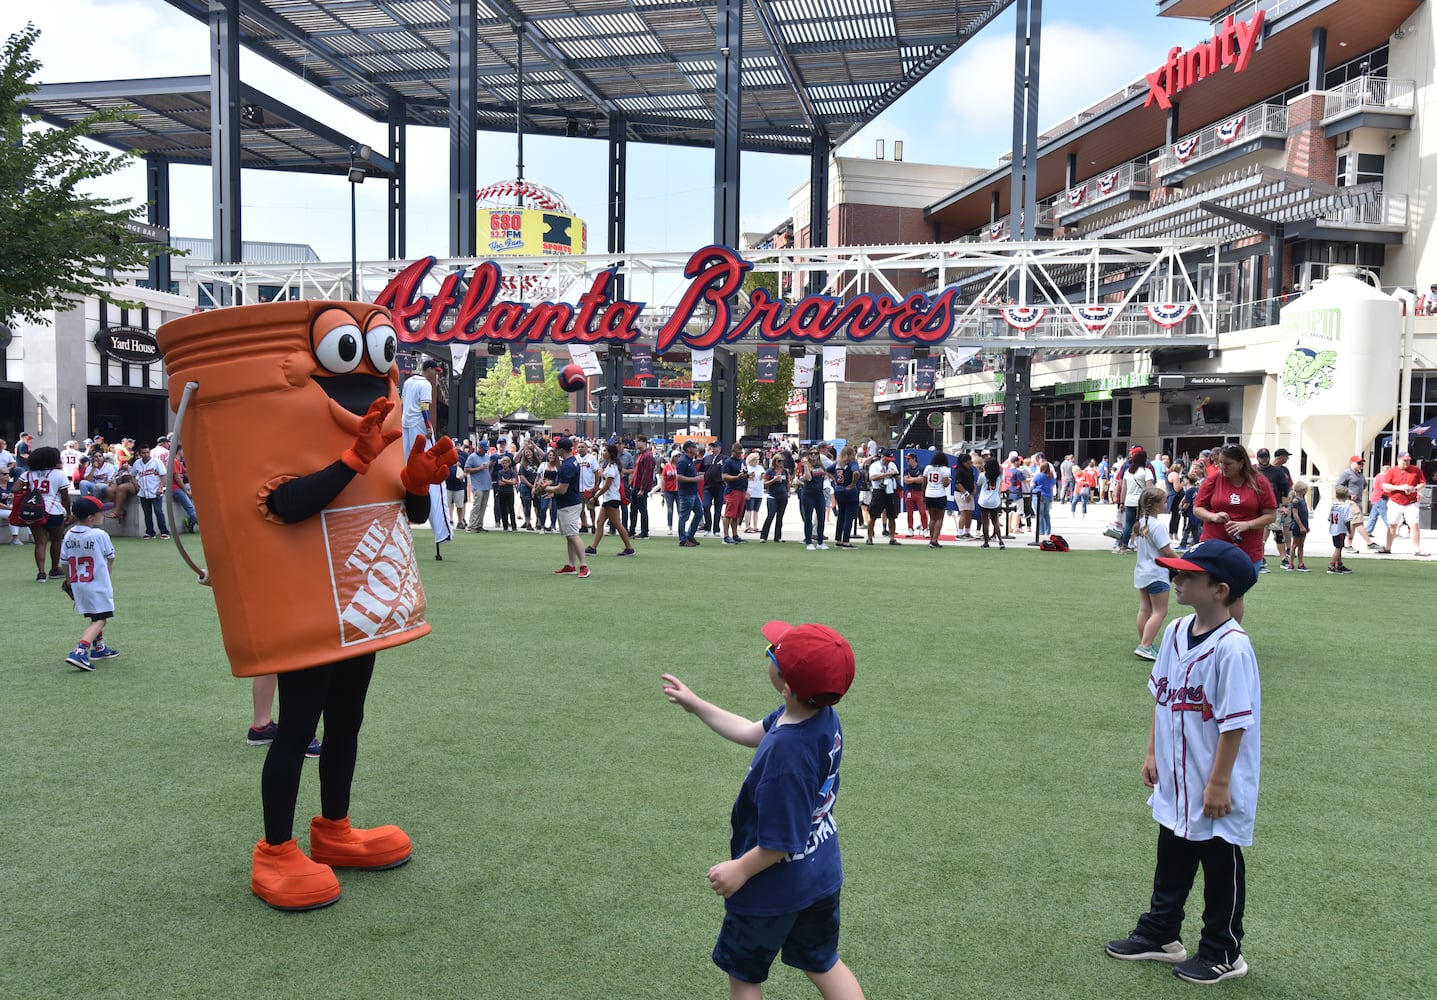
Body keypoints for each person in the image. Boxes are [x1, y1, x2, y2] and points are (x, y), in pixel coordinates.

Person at [660, 620, 863, 1000]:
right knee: (822, 961)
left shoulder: (786, 755)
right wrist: (698, 705)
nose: (770, 652)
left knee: (745, 977)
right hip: (819, 874)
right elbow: (751, 731)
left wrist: (740, 869)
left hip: (772, 887)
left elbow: (781, 840)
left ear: (786, 686)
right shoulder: (817, 715)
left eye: (773, 652)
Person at [1105, 539, 1259, 985]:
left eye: (1189, 575)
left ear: (1220, 589)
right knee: (1171, 853)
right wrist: (1152, 751)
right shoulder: (1174, 632)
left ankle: (1224, 951)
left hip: (1216, 780)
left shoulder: (1232, 648)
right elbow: (1163, 697)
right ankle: (1161, 932)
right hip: (1176, 771)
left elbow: (1235, 723)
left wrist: (1219, 784)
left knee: (1219, 863)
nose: (1177, 579)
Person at [1192, 444, 1276, 622]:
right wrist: (1213, 517)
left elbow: (1270, 515)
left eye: (1227, 463)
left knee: (1235, 595)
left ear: (1241, 463)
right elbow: (1198, 508)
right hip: (1213, 547)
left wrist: (1247, 525)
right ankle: (1205, 635)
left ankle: (1230, 637)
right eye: (1220, 462)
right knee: (1208, 593)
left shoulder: (1258, 481)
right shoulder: (1214, 479)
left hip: (1246, 549)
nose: (1222, 467)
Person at [60, 496, 121, 671]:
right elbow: (111, 557)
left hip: (79, 583)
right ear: (90, 518)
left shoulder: (69, 534)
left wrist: (69, 581)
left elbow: (64, 561)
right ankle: (79, 651)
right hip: (97, 583)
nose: (103, 514)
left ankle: (99, 648)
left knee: (95, 615)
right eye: (100, 512)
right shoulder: (99, 534)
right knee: (101, 619)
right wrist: (108, 571)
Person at [1131, 487, 1179, 661]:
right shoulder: (1157, 526)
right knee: (1160, 611)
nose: (1166, 504)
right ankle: (1145, 645)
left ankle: (1145, 643)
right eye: (1164, 501)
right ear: (1155, 505)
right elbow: (1166, 550)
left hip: (1142, 572)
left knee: (1145, 609)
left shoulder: (1141, 523)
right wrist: (1181, 564)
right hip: (1156, 573)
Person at [534, 437, 590, 578]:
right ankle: (571, 565)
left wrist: (547, 488)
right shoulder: (571, 462)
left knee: (572, 535)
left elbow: (562, 489)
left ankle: (583, 566)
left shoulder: (567, 466)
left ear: (561, 449)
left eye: (556, 447)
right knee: (569, 536)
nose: (554, 450)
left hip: (569, 504)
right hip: (569, 502)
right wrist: (551, 490)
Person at [16, 446, 72, 582]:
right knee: (56, 540)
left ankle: (41, 573)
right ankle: (54, 569)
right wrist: (69, 513)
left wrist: (30, 490)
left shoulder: (28, 474)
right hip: (54, 511)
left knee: (40, 543)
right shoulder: (59, 474)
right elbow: (65, 497)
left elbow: (15, 488)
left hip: (35, 511)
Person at [586, 443, 636, 557]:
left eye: (605, 451)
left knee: (617, 524)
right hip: (609, 498)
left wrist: (595, 497)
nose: (603, 453)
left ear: (610, 454)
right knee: (600, 522)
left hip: (612, 498)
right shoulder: (610, 466)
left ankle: (629, 548)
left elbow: (607, 486)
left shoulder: (612, 467)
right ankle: (593, 547)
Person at [1380, 451, 1428, 556]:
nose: (1406, 462)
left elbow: (1422, 483)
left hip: (1411, 502)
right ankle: (1387, 547)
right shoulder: (1392, 471)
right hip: (1395, 501)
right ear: (1399, 460)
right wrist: (1400, 488)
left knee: (1414, 525)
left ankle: (1417, 549)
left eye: (1408, 460)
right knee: (1392, 525)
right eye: (1404, 460)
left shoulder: (1415, 470)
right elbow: (1385, 486)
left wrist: (1414, 489)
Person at [1116, 448, 1154, 553]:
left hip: (1129, 501)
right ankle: (1143, 547)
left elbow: (1124, 488)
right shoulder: (1146, 472)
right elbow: (1149, 489)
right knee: (1143, 524)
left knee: (1129, 525)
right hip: (1142, 502)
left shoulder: (1128, 472)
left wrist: (1122, 502)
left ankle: (1123, 546)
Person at [1332, 456, 1372, 552]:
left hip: (1358, 501)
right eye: (1358, 463)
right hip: (1350, 502)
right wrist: (1350, 493)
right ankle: (1369, 543)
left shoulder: (1360, 474)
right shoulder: (1347, 473)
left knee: (1353, 524)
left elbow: (1364, 485)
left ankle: (1348, 545)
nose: (1361, 465)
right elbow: (1338, 485)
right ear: (1352, 463)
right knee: (1358, 522)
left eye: (1362, 463)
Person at [401, 358, 439, 454]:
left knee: (407, 453)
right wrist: (428, 426)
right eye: (435, 370)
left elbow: (402, 403)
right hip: (418, 422)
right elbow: (424, 407)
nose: (436, 374)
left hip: (405, 421)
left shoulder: (408, 382)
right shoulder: (425, 384)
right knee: (425, 451)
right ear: (430, 369)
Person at [865, 451, 899, 545]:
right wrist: (887, 474)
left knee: (892, 515)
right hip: (879, 491)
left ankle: (892, 538)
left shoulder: (892, 465)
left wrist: (895, 476)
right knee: (873, 515)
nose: (889, 462)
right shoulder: (875, 466)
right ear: (883, 457)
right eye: (887, 459)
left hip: (891, 490)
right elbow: (873, 477)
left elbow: (897, 476)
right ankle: (870, 537)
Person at [675, 440, 704, 547]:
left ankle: (690, 535)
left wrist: (697, 475)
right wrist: (695, 479)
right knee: (684, 516)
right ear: (688, 449)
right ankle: (683, 539)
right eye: (694, 447)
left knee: (699, 512)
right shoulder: (683, 461)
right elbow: (679, 477)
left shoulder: (690, 460)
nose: (697, 449)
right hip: (686, 492)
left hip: (693, 492)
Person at [798, 451, 829, 551]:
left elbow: (825, 475)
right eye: (811, 454)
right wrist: (806, 466)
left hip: (819, 494)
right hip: (808, 494)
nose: (814, 455)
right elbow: (808, 478)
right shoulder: (806, 466)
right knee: (808, 518)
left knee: (821, 517)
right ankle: (809, 542)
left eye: (816, 454)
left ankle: (820, 542)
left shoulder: (820, 465)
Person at [831, 446, 861, 548]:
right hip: (850, 492)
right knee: (849, 517)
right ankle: (846, 540)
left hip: (839, 491)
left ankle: (838, 539)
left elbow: (827, 470)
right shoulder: (852, 464)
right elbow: (856, 473)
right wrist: (853, 483)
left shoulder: (838, 464)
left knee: (841, 515)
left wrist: (835, 481)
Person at [720, 443, 749, 545]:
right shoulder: (728, 462)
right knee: (729, 514)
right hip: (733, 490)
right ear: (733, 452)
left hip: (741, 490)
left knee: (736, 515)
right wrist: (736, 477)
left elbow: (744, 473)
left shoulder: (742, 461)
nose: (740, 454)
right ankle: (726, 536)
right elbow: (724, 476)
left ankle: (735, 535)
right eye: (738, 453)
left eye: (741, 452)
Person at [628, 436, 656, 539]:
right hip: (636, 485)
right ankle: (632, 529)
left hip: (640, 486)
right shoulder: (641, 455)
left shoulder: (647, 456)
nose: (636, 443)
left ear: (644, 442)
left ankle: (644, 531)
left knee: (642, 509)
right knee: (634, 509)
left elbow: (646, 474)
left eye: (638, 441)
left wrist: (642, 489)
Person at [922, 450, 951, 548]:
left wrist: (923, 495)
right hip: (939, 494)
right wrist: (949, 480)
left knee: (932, 518)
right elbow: (945, 484)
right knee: (939, 518)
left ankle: (931, 539)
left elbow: (924, 483)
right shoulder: (945, 469)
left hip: (929, 494)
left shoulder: (928, 468)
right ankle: (935, 540)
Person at [760, 453, 791, 543]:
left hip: (783, 496)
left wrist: (788, 491)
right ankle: (763, 536)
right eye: (779, 461)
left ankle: (778, 536)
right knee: (770, 515)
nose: (781, 463)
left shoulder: (785, 471)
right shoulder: (770, 471)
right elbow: (764, 484)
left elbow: (788, 482)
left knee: (780, 517)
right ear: (775, 461)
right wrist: (774, 480)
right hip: (772, 496)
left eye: (782, 461)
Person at [976, 456, 1004, 549]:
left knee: (985, 521)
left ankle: (986, 542)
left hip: (984, 501)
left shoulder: (982, 475)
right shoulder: (999, 476)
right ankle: (1000, 541)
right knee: (995, 521)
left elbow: (978, 484)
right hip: (995, 500)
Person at [901, 452, 929, 539]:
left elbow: (922, 480)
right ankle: (910, 528)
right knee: (909, 513)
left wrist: (911, 479)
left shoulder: (921, 468)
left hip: (919, 492)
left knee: (923, 512)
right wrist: (916, 479)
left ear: (914, 459)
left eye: (909, 459)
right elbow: (906, 480)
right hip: (910, 492)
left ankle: (925, 529)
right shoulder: (906, 469)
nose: (907, 460)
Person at [1327, 485, 1354, 574]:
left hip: (1333, 528)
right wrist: (1349, 531)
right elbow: (1347, 520)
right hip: (1340, 529)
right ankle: (1332, 564)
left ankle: (1340, 564)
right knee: (1339, 548)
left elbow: (1329, 518)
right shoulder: (1345, 507)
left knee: (1338, 546)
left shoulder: (1333, 505)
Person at [1286, 481, 1310, 572]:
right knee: (1294, 544)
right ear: (1302, 490)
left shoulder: (1302, 500)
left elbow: (1305, 514)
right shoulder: (1296, 501)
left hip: (1303, 525)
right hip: (1297, 526)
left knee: (1301, 545)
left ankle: (1300, 563)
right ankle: (1291, 563)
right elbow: (1295, 515)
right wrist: (1301, 526)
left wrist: (1306, 526)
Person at [1031, 460, 1055, 538]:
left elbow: (1032, 484)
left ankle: (1040, 530)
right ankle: (1047, 530)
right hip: (1048, 495)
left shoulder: (1039, 475)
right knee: (1046, 513)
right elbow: (1052, 486)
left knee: (1039, 513)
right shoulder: (1051, 476)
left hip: (1039, 495)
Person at [658, 448, 679, 535]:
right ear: (673, 457)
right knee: (670, 509)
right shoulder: (667, 466)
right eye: (677, 456)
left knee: (680, 509)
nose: (678, 458)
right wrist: (662, 491)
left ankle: (680, 527)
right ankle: (670, 527)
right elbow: (663, 478)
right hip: (669, 490)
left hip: (678, 490)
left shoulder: (680, 465)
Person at [743, 451, 765, 535]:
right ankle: (747, 526)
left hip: (759, 490)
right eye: (755, 460)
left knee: (756, 510)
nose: (757, 461)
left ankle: (755, 526)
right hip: (750, 490)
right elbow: (745, 479)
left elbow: (763, 476)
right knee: (749, 509)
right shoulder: (747, 468)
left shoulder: (760, 467)